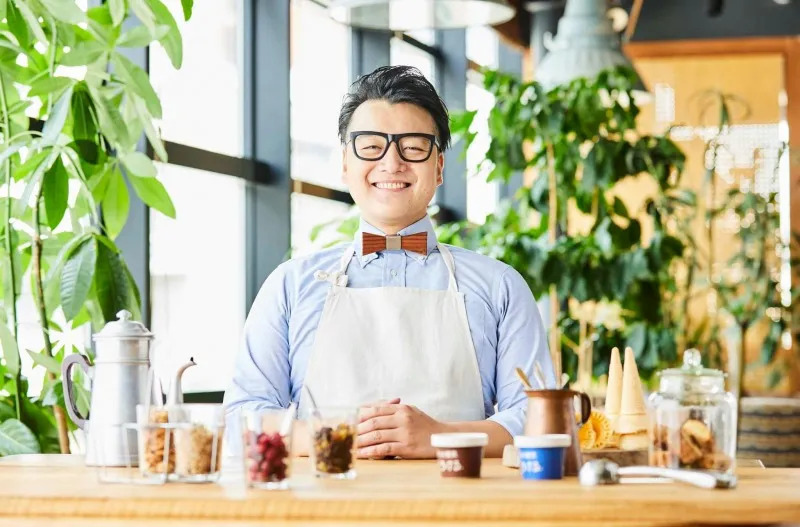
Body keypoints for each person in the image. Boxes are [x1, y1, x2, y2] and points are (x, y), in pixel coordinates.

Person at [223, 65, 553, 459]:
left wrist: (439, 436)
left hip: (460, 514)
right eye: (371, 145)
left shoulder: (500, 285)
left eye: (413, 146)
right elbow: (242, 416)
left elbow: (539, 417)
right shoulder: (290, 285)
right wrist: (333, 433)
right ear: (346, 164)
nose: (392, 163)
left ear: (439, 166)